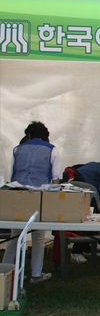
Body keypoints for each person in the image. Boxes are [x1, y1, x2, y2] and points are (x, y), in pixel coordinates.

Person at [3, 121, 60, 284]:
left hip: (19, 195)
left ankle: (5, 272)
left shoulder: (18, 149)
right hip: (39, 195)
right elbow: (56, 178)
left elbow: (13, 175)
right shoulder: (52, 149)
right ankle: (36, 274)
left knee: (14, 236)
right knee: (38, 236)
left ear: (28, 135)